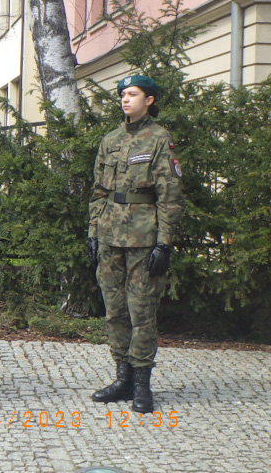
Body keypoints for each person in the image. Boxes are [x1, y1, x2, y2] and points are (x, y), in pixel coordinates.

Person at [88, 74, 183, 414]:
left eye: (133, 94)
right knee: (114, 311)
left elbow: (169, 195)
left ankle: (142, 383)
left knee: (141, 312)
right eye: (123, 94)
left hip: (144, 239)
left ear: (150, 100)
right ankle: (122, 378)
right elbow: (99, 191)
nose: (126, 99)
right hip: (110, 236)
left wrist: (164, 243)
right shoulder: (110, 139)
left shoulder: (159, 139)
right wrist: (92, 232)